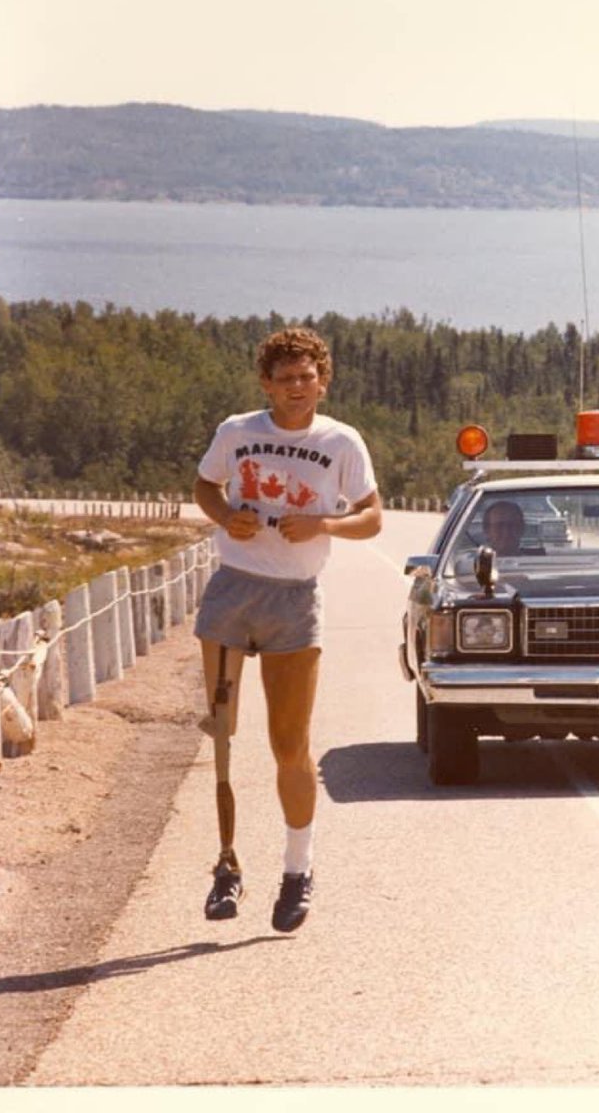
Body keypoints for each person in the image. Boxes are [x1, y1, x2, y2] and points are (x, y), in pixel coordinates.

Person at [193, 326, 381, 932]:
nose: (298, 387)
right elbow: (205, 485)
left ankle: (297, 870)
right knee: (222, 733)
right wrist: (227, 516)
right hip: (233, 589)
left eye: (307, 377)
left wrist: (324, 524)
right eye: (285, 379)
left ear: (323, 381)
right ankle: (226, 865)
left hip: (295, 601)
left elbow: (372, 516)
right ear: (266, 385)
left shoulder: (341, 441)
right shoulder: (237, 431)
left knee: (290, 744)